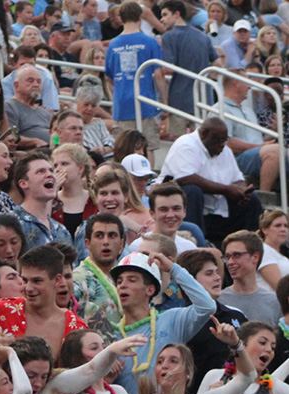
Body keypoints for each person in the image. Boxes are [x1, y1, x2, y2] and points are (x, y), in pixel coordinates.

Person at [112, 251, 216, 394]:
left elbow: (207, 307)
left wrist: (174, 269)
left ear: (150, 290)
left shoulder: (171, 320)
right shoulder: (111, 335)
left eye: (132, 280)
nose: (123, 285)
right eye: (120, 281)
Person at [157, 117, 263, 246]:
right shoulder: (185, 144)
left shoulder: (226, 151)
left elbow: (238, 179)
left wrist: (241, 190)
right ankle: (194, 244)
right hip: (192, 211)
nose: (222, 145)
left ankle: (252, 246)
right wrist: (227, 190)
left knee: (251, 199)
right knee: (192, 190)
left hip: (219, 211)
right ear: (203, 134)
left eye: (224, 140)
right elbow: (186, 178)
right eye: (218, 140)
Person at [0, 245, 87, 358]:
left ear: (57, 280)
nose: (28, 288)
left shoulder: (76, 328)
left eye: (37, 281)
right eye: (25, 280)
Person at [177, 249, 248, 394]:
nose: (218, 278)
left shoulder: (236, 315)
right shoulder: (179, 320)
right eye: (209, 273)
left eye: (217, 272)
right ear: (190, 280)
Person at [105, 1, 166, 167]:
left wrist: (118, 91)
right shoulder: (150, 42)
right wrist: (164, 102)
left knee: (123, 149)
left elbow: (109, 76)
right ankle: (148, 183)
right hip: (145, 100)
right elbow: (158, 74)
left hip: (122, 102)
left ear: (121, 18)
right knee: (148, 147)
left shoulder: (113, 44)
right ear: (140, 16)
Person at [160, 0, 219, 137]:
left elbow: (169, 68)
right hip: (203, 97)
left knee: (180, 144)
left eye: (165, 14)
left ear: (177, 14)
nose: (161, 20)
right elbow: (218, 63)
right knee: (202, 143)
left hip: (179, 98)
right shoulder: (202, 36)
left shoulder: (168, 36)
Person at [73, 213, 126, 342]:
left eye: (112, 236)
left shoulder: (128, 278)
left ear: (122, 244)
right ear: (87, 243)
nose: (106, 242)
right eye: (99, 236)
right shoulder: (78, 279)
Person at [11, 152, 73, 251]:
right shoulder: (12, 223)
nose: (50, 175)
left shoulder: (61, 230)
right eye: (40, 171)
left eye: (51, 170)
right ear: (23, 183)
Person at [220, 230, 282, 326]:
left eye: (237, 255)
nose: (230, 262)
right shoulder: (219, 301)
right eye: (227, 257)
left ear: (255, 257)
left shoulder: (275, 303)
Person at [126, 185, 198, 255]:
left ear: (184, 212)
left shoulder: (189, 248)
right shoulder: (138, 247)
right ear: (152, 213)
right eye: (163, 209)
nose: (170, 215)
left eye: (176, 209)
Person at [52, 143, 97, 236]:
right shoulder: (51, 200)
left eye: (64, 164)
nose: (58, 169)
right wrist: (52, 192)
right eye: (55, 165)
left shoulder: (95, 199)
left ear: (80, 168)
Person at [4, 66, 52, 150]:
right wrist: (35, 142)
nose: (36, 84)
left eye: (39, 81)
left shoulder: (45, 113)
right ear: (16, 85)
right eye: (30, 81)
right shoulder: (10, 106)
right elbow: (10, 137)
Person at [257, 210, 289, 291]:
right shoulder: (264, 251)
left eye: (286, 226)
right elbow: (279, 286)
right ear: (265, 230)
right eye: (278, 226)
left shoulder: (280, 256)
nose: (283, 229)